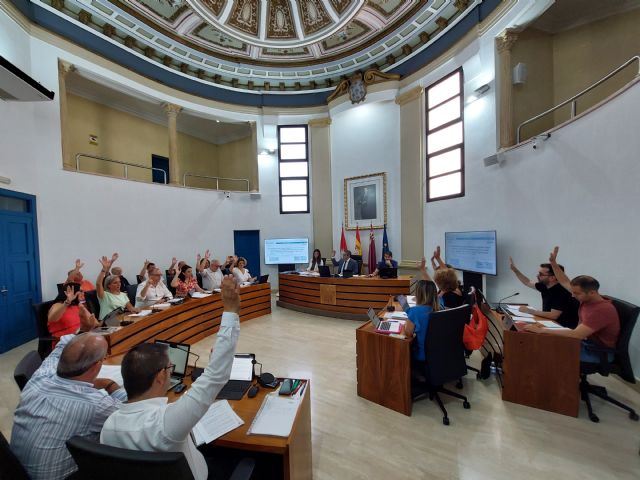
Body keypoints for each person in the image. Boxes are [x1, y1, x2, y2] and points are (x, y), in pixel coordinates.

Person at [100, 275, 241, 480]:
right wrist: (230, 310)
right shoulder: (168, 422)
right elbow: (216, 375)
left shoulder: (109, 426)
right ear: (160, 376)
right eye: (169, 367)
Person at [10, 316, 126, 480]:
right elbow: (131, 410)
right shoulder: (96, 404)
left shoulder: (39, 378)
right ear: (97, 366)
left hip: (18, 471)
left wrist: (84, 330)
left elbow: (59, 349)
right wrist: (110, 384)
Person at [522, 247, 620, 363]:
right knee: (543, 343)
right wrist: (553, 263)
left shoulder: (601, 310)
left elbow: (576, 334)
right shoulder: (587, 298)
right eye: (572, 292)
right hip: (585, 342)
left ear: (592, 292)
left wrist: (542, 330)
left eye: (576, 293)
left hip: (597, 352)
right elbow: (564, 281)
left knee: (545, 349)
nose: (572, 296)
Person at [509, 256, 579, 328]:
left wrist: (529, 311)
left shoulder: (562, 291)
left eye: (541, 274)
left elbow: (553, 315)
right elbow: (527, 282)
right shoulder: (545, 286)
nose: (537, 276)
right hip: (550, 323)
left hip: (564, 328)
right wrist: (515, 271)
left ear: (552, 278)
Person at [403, 280, 441, 365]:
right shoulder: (440, 308)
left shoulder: (415, 312)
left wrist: (406, 323)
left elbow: (408, 334)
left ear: (418, 295)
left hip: (422, 355)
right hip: (439, 353)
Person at [96, 253, 140, 319]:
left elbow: (131, 308)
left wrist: (137, 310)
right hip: (106, 323)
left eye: (119, 282)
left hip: (120, 320)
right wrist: (103, 269)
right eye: (115, 283)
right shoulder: (104, 295)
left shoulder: (123, 295)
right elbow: (98, 284)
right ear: (109, 285)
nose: (119, 284)